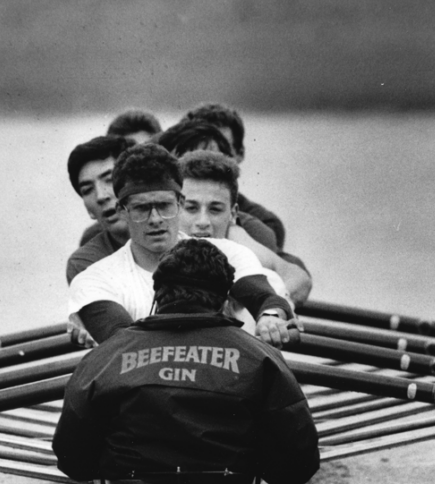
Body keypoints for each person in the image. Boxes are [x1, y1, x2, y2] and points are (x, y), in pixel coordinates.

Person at [53, 239, 320, 484]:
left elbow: (73, 462)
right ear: (225, 301)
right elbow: (297, 467)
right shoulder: (261, 357)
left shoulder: (104, 356)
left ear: (156, 296)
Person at [67, 143, 295, 348]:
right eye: (142, 209)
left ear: (180, 203)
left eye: (164, 205)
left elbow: (266, 299)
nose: (155, 219)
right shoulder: (93, 280)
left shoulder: (228, 254)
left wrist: (270, 317)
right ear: (122, 211)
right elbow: (126, 344)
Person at [178, 150, 312, 306]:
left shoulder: (238, 242)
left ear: (233, 214)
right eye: (191, 208)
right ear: (174, 208)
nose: (203, 221)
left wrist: (276, 309)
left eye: (215, 209)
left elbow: (298, 278)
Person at [182, 102, 287, 250]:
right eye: (197, 153)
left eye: (221, 152)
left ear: (240, 154)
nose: (207, 163)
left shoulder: (265, 223)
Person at [65, 134, 130, 283]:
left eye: (109, 180)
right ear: (89, 210)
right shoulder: (84, 265)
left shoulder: (180, 237)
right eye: (87, 190)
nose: (101, 196)